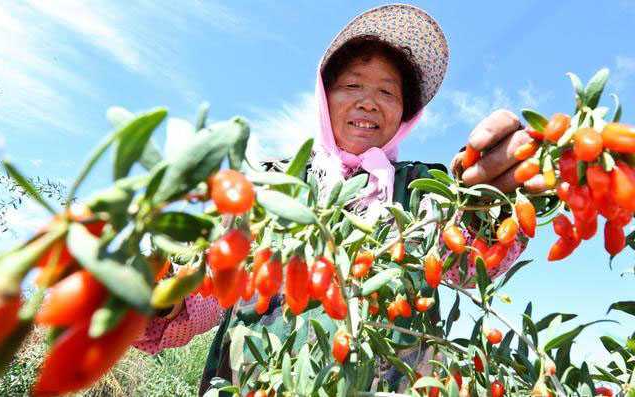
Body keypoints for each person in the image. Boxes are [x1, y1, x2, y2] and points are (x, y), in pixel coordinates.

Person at [133, 4, 537, 394]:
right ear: (324, 98)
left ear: (405, 113)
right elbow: (218, 289)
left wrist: (486, 205)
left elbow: (469, 265)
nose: (368, 101)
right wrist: (159, 296)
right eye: (353, 85)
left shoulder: (422, 190)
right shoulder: (270, 186)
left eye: (387, 91)